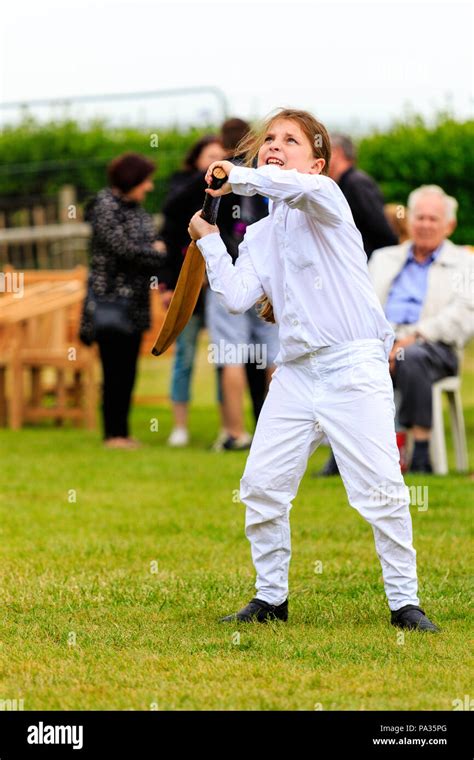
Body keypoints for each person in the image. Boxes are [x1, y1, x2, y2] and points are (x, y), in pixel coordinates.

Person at [188, 108, 439, 633]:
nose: (275, 146)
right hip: (297, 373)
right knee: (261, 484)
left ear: (318, 162)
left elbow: (282, 185)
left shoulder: (327, 199)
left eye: (291, 140)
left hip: (354, 364)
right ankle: (270, 598)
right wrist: (210, 239)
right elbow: (236, 297)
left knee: (380, 491)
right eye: (269, 140)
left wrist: (237, 174)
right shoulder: (257, 233)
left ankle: (404, 603)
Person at [369, 185, 474, 472]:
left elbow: (463, 317)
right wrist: (387, 342)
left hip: (437, 347)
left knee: (412, 357)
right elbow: (365, 307)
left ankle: (422, 453)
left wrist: (413, 337)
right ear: (409, 220)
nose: (425, 224)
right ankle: (345, 456)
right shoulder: (383, 259)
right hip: (384, 343)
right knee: (351, 362)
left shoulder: (465, 263)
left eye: (433, 219)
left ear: (449, 225)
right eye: (420, 217)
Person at [318, 133, 399, 477]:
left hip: (362, 287)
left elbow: (382, 235)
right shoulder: (342, 186)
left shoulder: (356, 184)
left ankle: (354, 458)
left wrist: (364, 272)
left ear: (337, 154)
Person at [79, 152, 169, 449]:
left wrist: (152, 250)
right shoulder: (105, 207)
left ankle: (122, 432)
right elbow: (125, 249)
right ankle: (112, 434)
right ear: (132, 179)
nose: (150, 187)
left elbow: (147, 246)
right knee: (114, 369)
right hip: (110, 303)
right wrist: (154, 251)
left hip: (135, 304)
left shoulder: (137, 211)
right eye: (146, 181)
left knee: (128, 370)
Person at [206, 117, 279, 451]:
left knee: (231, 356)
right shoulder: (266, 179)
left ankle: (235, 433)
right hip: (266, 273)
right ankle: (275, 432)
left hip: (230, 272)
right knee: (274, 356)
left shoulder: (219, 175)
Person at [160, 135, 226, 447]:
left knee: (224, 356)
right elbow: (168, 240)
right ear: (198, 158)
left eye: (220, 157)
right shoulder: (180, 187)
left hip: (216, 287)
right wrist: (167, 285)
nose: (216, 162)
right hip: (186, 286)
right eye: (210, 156)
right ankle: (179, 426)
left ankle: (228, 426)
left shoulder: (230, 194)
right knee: (184, 356)